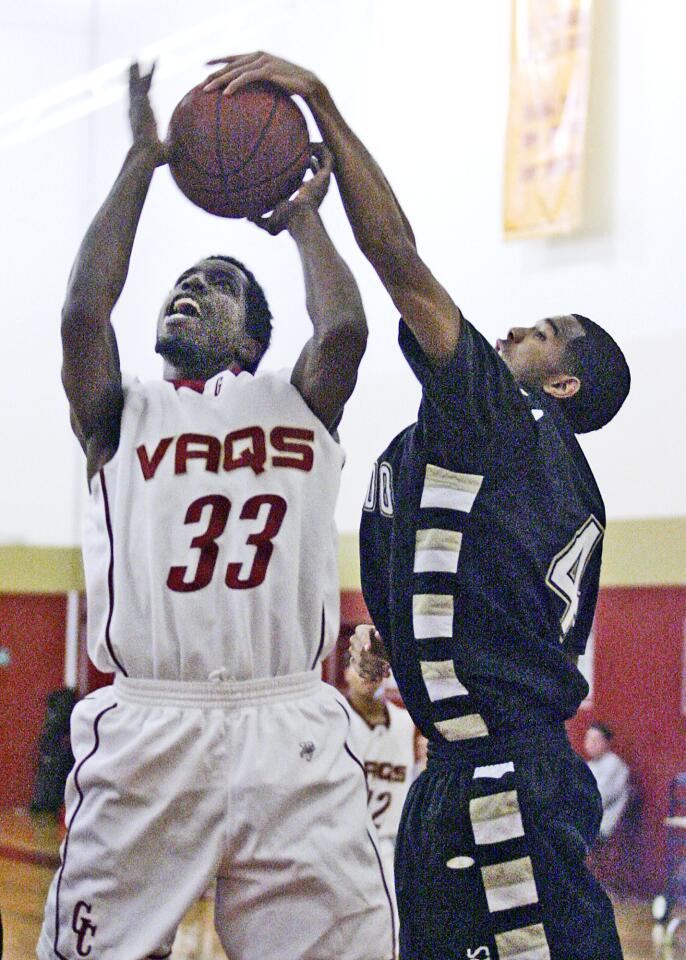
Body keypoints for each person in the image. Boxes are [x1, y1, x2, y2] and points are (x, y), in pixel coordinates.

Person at [204, 53, 632, 960]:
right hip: (463, 773)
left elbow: (396, 254)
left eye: (542, 332)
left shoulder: (508, 423)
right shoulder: (501, 453)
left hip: (500, 782)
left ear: (560, 383)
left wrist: (322, 104)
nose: (512, 328)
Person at [37, 63, 394, 960]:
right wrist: (142, 163)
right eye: (179, 286)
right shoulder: (119, 413)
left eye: (215, 286)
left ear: (253, 335)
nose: (185, 293)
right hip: (151, 722)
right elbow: (85, 311)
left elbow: (345, 330)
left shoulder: (297, 400)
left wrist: (306, 217)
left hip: (287, 725)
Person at [344, 657, 417, 952]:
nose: (366, 674)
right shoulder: (333, 719)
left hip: (389, 846)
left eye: (375, 666)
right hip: (340, 844)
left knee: (393, 937)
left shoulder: (408, 724)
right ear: (346, 673)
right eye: (357, 663)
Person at [584, 722, 630, 840]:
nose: (591, 743)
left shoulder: (614, 764)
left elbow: (599, 800)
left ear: (606, 743)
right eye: (588, 738)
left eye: (596, 740)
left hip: (603, 826)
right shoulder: (590, 765)